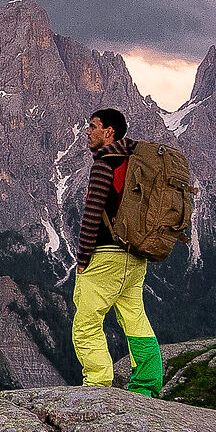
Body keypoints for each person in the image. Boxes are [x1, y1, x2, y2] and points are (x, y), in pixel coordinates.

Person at [71, 107, 161, 395]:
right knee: (135, 317)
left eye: (93, 126)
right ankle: (147, 385)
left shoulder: (104, 164)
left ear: (109, 132)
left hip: (107, 255)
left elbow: (93, 214)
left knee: (86, 324)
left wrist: (83, 258)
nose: (87, 131)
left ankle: (97, 385)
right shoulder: (136, 162)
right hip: (136, 257)